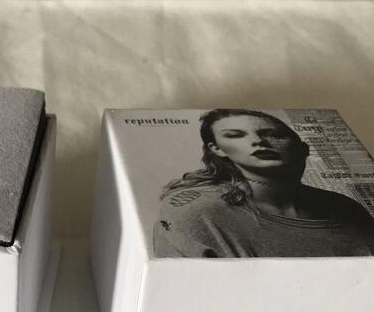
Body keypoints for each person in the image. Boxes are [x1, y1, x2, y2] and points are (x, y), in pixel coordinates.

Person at [153, 109, 374, 257]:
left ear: (303, 148)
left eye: (274, 134)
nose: (258, 141)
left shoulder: (346, 208)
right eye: (235, 135)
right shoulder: (198, 213)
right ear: (217, 148)